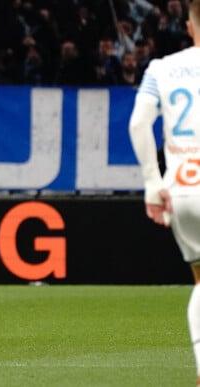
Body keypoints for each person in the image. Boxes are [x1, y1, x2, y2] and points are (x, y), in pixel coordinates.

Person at [128, 2, 200, 385]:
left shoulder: (162, 68)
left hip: (184, 190)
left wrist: (153, 183)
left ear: (189, 26)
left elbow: (139, 123)